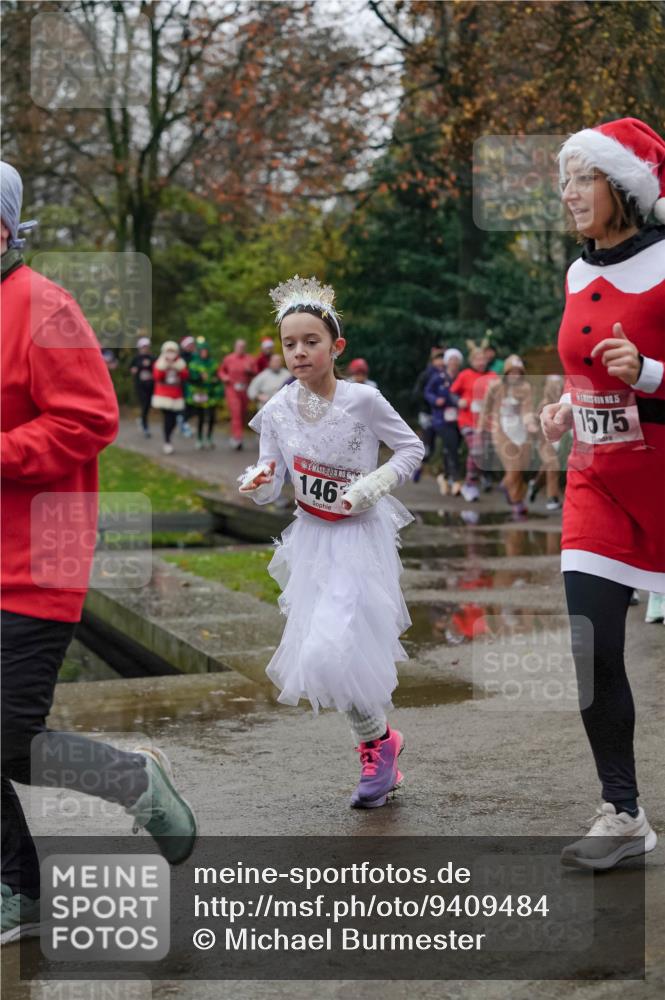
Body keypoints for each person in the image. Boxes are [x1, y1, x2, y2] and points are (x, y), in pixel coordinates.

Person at [0, 161, 196, 944]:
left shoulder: (45, 306)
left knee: (8, 738)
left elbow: (88, 419)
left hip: (34, 561)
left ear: (4, 228)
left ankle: (132, 780)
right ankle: (17, 889)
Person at [239, 275, 424, 809]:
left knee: (333, 650)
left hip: (359, 539)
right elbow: (271, 477)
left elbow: (411, 449)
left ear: (336, 346)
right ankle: (379, 744)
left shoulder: (363, 400)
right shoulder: (277, 409)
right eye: (289, 343)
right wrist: (258, 480)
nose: (299, 352)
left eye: (310, 341)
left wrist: (375, 484)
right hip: (311, 541)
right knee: (328, 655)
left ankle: (377, 747)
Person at [541, 117, 664, 869]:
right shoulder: (574, 274)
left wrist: (648, 372)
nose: (569, 193)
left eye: (583, 177)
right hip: (596, 480)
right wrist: (566, 404)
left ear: (622, 186)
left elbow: (636, 370)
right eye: (565, 180)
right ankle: (623, 813)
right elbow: (584, 369)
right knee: (593, 647)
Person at [478, 355, 538, 519]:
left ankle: (512, 493)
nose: (515, 376)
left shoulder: (525, 388)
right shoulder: (495, 386)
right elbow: (486, 408)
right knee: (513, 466)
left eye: (519, 372)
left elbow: (527, 409)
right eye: (512, 372)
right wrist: (481, 426)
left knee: (521, 467)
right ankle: (515, 498)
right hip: (501, 430)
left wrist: (530, 424)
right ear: (506, 373)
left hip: (520, 429)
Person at [451, 345, 499, 501]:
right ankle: (470, 484)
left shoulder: (493, 376)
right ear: (471, 361)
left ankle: (473, 481)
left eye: (483, 359)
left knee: (481, 453)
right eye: (477, 359)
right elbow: (452, 393)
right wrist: (459, 401)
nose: (481, 362)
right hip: (467, 420)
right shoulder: (465, 374)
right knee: (477, 450)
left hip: (486, 422)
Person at [424, 348, 463, 496]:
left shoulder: (462, 377)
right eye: (451, 359)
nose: (454, 362)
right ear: (447, 362)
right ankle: (456, 479)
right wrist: (435, 400)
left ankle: (445, 477)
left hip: (459, 418)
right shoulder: (438, 377)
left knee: (451, 448)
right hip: (441, 419)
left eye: (456, 360)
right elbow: (427, 392)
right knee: (452, 446)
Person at [527, 374, 565, 511]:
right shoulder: (544, 404)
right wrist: (532, 426)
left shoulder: (564, 402)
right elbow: (533, 420)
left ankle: (535, 485)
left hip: (559, 442)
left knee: (548, 466)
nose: (556, 388)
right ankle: (552, 498)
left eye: (559, 385)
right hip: (544, 442)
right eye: (553, 386)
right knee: (553, 464)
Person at [410, 347, 445, 482]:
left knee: (437, 445)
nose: (441, 361)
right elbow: (417, 393)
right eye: (438, 358)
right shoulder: (426, 375)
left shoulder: (447, 375)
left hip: (442, 415)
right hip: (427, 414)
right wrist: (430, 401)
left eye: (443, 358)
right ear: (433, 360)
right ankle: (416, 466)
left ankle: (423, 466)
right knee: (428, 442)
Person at [218, 339, 257, 450]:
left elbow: (256, 373)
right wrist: (225, 377)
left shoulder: (250, 359)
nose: (241, 348)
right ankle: (237, 438)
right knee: (236, 412)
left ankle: (235, 435)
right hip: (232, 389)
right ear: (235, 347)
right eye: (239, 346)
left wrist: (250, 371)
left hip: (244, 390)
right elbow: (221, 371)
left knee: (242, 413)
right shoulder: (229, 358)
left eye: (243, 347)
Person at [185, 337, 224, 449]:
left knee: (211, 417)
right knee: (201, 417)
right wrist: (199, 377)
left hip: (211, 394)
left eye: (206, 351)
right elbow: (190, 378)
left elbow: (218, 376)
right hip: (199, 394)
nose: (204, 353)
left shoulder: (213, 363)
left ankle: (209, 437)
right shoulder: (194, 363)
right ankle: (199, 438)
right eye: (202, 351)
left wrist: (215, 380)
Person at [152, 340, 188, 454]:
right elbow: (157, 377)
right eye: (169, 351)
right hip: (163, 395)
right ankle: (167, 441)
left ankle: (169, 438)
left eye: (173, 351)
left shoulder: (180, 363)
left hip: (176, 395)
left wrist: (176, 367)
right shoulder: (160, 363)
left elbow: (185, 375)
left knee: (174, 420)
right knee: (168, 418)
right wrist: (166, 366)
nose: (171, 353)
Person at [129, 335, 155, 438]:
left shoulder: (152, 358)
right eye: (143, 347)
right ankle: (145, 427)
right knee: (144, 405)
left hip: (150, 385)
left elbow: (157, 369)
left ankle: (142, 419)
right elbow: (131, 369)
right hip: (140, 386)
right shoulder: (136, 358)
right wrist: (136, 369)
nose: (145, 349)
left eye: (147, 347)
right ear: (139, 348)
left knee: (148, 405)